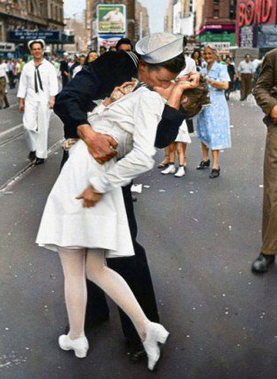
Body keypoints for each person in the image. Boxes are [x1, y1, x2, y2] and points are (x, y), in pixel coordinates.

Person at [37, 59, 206, 371]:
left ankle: (136, 331)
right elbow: (66, 99)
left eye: (164, 76)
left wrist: (174, 97)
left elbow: (158, 139)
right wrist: (88, 129)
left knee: (116, 252)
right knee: (89, 259)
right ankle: (95, 320)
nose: (156, 78)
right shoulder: (107, 67)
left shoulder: (161, 84)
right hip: (88, 161)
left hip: (106, 172)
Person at [251, 47, 277, 273]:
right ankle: (268, 251)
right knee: (274, 193)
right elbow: (260, 88)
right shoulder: (274, 57)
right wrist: (273, 106)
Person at [159, 37, 198, 177]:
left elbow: (195, 80)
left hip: (183, 100)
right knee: (167, 129)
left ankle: (182, 162)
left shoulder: (190, 62)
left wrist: (185, 81)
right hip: (167, 98)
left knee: (182, 134)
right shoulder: (166, 61)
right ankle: (170, 161)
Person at [17, 39, 58, 165]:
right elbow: (23, 85)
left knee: (43, 127)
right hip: (30, 99)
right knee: (28, 126)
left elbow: (53, 84)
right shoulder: (27, 67)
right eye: (34, 49)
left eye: (39, 49)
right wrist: (21, 102)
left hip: (44, 99)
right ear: (31, 51)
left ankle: (41, 154)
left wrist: (52, 99)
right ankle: (33, 148)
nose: (37, 51)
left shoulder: (49, 67)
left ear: (42, 50)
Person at [196, 44, 231, 178]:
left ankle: (216, 165)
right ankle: (206, 159)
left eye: (210, 53)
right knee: (203, 131)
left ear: (215, 55)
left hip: (216, 104)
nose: (207, 56)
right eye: (205, 54)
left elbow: (225, 85)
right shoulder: (202, 69)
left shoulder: (221, 68)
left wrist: (209, 81)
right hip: (204, 104)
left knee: (214, 132)